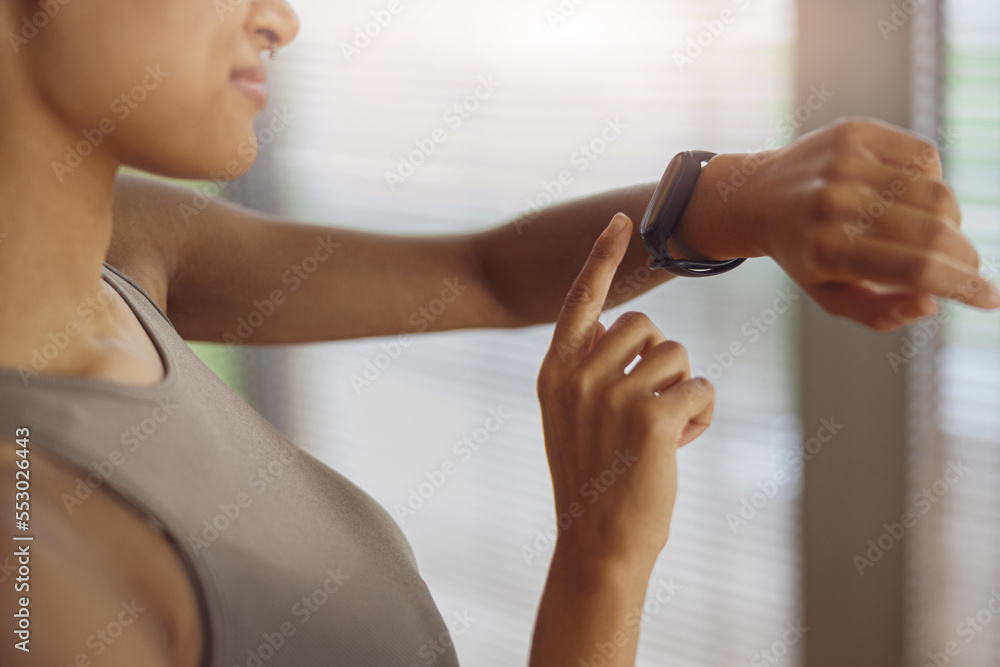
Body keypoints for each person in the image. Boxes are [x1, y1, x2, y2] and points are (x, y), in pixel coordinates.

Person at [1, 0, 996, 665]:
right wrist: (601, 566)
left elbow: (479, 274)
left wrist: (740, 197)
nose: (280, 18)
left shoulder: (126, 249)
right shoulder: (33, 565)